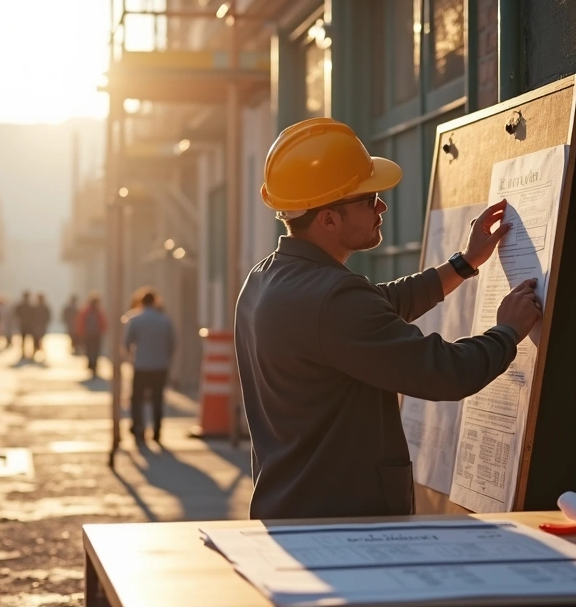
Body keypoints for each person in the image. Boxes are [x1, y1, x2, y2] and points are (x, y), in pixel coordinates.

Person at [235, 117, 543, 520]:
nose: (381, 205)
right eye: (368, 198)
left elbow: (378, 305)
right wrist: (507, 331)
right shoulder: (332, 299)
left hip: (293, 513)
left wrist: (464, 264)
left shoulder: (265, 280)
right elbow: (445, 373)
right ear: (328, 218)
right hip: (340, 526)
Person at [123, 288, 176, 443]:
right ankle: (157, 431)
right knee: (157, 399)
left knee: (137, 399)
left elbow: (127, 343)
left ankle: (138, 428)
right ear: (155, 301)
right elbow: (172, 344)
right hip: (160, 366)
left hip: (141, 365)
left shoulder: (134, 319)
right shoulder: (165, 320)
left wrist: (132, 358)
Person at [75, 293, 107, 379]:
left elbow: (102, 322)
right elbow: (81, 322)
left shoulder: (91, 311)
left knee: (93, 350)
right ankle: (92, 365)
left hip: (93, 334)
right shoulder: (88, 311)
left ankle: (93, 365)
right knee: (92, 350)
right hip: (90, 335)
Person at [14, 291, 37, 360]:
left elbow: (16, 314)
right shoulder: (32, 306)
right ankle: (31, 354)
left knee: (24, 340)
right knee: (30, 340)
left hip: (25, 325)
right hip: (29, 325)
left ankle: (25, 354)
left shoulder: (21, 306)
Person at [31, 293, 52, 361]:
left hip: (41, 326)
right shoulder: (35, 307)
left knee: (40, 341)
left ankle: (40, 353)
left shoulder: (44, 307)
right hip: (36, 326)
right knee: (36, 341)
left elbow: (48, 317)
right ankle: (35, 353)